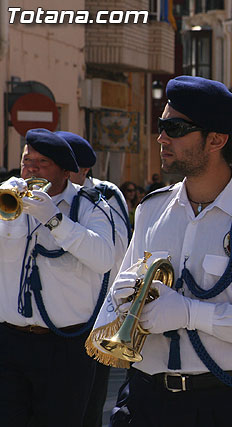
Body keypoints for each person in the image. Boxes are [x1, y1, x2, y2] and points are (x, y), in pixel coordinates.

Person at [95, 76, 232, 427]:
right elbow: (126, 289)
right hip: (142, 399)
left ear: (217, 140)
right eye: (161, 126)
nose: (161, 137)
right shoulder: (152, 208)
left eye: (174, 128)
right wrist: (123, 298)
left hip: (219, 403)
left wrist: (192, 314)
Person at [0, 128, 116, 426]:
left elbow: (104, 259)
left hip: (64, 346)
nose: (31, 169)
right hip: (9, 340)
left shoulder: (91, 205)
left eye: (42, 163)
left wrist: (54, 219)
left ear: (66, 171)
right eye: (27, 161)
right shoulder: (8, 199)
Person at [57, 130, 131, 427]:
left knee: (88, 403)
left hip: (92, 316)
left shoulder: (105, 196)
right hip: (50, 318)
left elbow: (117, 256)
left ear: (81, 170)